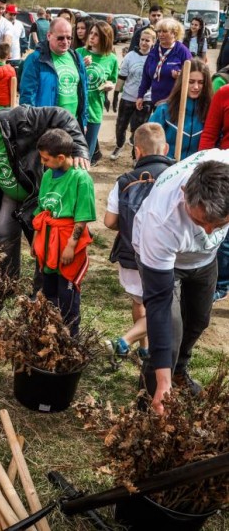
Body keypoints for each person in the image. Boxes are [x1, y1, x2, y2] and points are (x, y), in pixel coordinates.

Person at [132, 150, 229, 413]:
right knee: (171, 330)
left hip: (204, 260)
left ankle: (178, 370)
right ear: (185, 191)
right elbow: (159, 304)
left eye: (218, 224)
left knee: (199, 319)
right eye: (200, 221)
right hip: (164, 260)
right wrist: (162, 383)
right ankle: (152, 394)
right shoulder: (161, 221)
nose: (207, 231)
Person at [0, 105, 89, 279]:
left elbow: (60, 115)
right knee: (3, 229)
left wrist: (79, 147)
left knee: (43, 241)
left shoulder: (14, 120)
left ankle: (41, 291)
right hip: (11, 195)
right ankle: (7, 282)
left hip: (39, 193)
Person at [104, 123, 172, 364]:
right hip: (166, 255)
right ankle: (127, 341)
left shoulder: (125, 180)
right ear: (165, 148)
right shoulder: (176, 176)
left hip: (131, 254)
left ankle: (143, 348)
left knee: (140, 302)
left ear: (138, 152)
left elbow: (109, 220)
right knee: (162, 305)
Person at [33, 129, 95, 334]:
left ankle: (70, 335)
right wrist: (36, 240)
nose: (43, 163)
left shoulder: (81, 179)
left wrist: (71, 247)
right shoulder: (48, 174)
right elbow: (42, 210)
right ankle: (51, 331)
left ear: (61, 157)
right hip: (48, 240)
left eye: (46, 159)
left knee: (67, 292)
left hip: (68, 242)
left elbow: (82, 217)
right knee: (49, 288)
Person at [19, 17, 89, 132]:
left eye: (69, 38)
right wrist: (32, 127)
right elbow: (27, 97)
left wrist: (83, 121)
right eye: (60, 38)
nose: (65, 42)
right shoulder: (36, 60)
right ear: (48, 36)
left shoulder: (77, 58)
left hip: (73, 125)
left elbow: (83, 91)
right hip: (47, 127)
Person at [198, 85, 229, 303]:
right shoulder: (224, 93)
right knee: (224, 233)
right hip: (225, 170)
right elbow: (209, 133)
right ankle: (221, 283)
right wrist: (202, 166)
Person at [148, 58, 212, 160]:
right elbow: (150, 143)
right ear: (182, 82)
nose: (196, 87)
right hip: (168, 169)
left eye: (200, 82)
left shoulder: (212, 112)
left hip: (198, 170)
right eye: (191, 82)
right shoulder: (164, 110)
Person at [76, 20, 119, 161]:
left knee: (85, 155)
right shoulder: (78, 53)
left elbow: (113, 80)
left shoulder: (112, 59)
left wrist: (110, 85)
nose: (91, 37)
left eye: (96, 35)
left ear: (105, 38)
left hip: (94, 111)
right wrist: (80, 65)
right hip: (75, 110)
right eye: (91, 33)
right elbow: (68, 79)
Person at [111, 27, 156, 161]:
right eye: (142, 39)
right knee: (121, 126)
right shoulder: (130, 55)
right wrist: (116, 95)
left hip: (145, 99)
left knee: (138, 129)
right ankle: (119, 145)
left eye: (147, 40)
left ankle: (135, 154)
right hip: (128, 97)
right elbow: (122, 76)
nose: (144, 43)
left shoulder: (154, 58)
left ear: (153, 42)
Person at [136, 18, 192, 109]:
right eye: (159, 31)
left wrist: (181, 76)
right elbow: (146, 77)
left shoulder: (182, 51)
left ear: (174, 33)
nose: (160, 34)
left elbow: (192, 75)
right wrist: (140, 96)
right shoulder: (154, 51)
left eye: (165, 31)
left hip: (175, 103)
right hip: (156, 102)